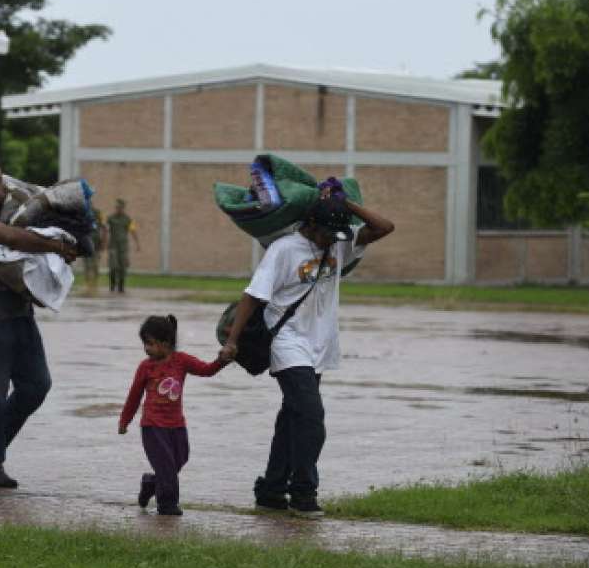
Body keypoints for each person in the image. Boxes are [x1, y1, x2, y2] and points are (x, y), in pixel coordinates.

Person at [219, 192, 394, 512]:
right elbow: (252, 296)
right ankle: (304, 492)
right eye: (327, 232)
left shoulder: (338, 242)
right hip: (287, 342)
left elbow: (385, 227)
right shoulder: (284, 250)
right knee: (311, 416)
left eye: (336, 234)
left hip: (320, 343)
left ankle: (271, 490)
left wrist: (346, 204)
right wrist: (232, 341)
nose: (332, 240)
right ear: (311, 224)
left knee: (293, 417)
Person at [0, 156, 78, 488]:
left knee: (37, 385)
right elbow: (7, 238)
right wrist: (55, 245)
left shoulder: (19, 212)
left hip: (21, 315)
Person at [118, 315, 228, 516]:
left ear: (166, 343)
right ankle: (167, 504)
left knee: (180, 458)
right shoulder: (145, 367)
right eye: (145, 344)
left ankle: (150, 483)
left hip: (177, 424)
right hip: (152, 426)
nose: (146, 349)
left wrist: (222, 360)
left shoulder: (182, 361)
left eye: (150, 344)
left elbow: (206, 370)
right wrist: (125, 420)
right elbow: (134, 396)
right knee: (166, 466)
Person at [107, 198, 140, 293]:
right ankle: (112, 285)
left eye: (120, 208)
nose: (118, 209)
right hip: (113, 246)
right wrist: (103, 243)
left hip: (123, 247)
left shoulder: (127, 219)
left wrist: (137, 244)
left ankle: (121, 287)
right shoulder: (110, 218)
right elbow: (105, 230)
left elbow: (133, 231)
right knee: (113, 266)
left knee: (123, 267)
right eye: (117, 207)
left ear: (123, 208)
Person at [83, 202, 107, 293]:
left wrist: (104, 242)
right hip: (86, 243)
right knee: (87, 265)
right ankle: (88, 285)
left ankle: (95, 284)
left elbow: (104, 228)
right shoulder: (83, 213)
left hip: (97, 244)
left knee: (95, 265)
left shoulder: (98, 213)